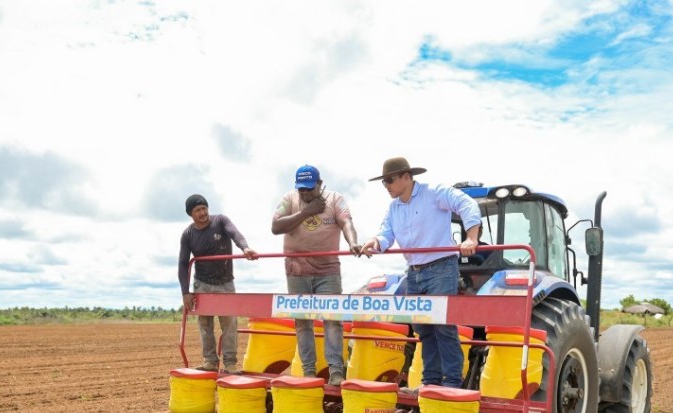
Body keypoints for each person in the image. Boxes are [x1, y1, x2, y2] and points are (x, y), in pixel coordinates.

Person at [360, 157, 482, 389]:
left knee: (442, 326)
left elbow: (467, 205)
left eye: (389, 180)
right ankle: (431, 382)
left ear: (407, 177)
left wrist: (471, 238)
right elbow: (386, 234)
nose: (386, 185)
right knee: (422, 328)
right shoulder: (394, 207)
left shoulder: (434, 193)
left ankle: (452, 383)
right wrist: (374, 241)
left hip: (441, 267)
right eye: (383, 182)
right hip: (414, 272)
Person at [272, 165, 361, 387]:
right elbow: (275, 226)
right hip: (296, 268)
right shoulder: (289, 199)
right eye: (301, 190)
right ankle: (309, 372)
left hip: (327, 269)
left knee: (332, 319)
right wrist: (307, 211)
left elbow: (346, 222)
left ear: (320, 184)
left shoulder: (334, 199)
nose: (305, 193)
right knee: (302, 321)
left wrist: (353, 243)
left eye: (309, 189)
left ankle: (336, 372)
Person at [178, 194, 258, 373]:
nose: (203, 212)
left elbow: (235, 233)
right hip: (202, 284)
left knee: (229, 324)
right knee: (205, 325)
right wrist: (185, 292)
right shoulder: (188, 234)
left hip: (225, 283)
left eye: (204, 208)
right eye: (197, 210)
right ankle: (210, 362)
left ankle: (230, 364)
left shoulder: (220, 221)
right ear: (191, 214)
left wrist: (245, 247)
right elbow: (183, 264)